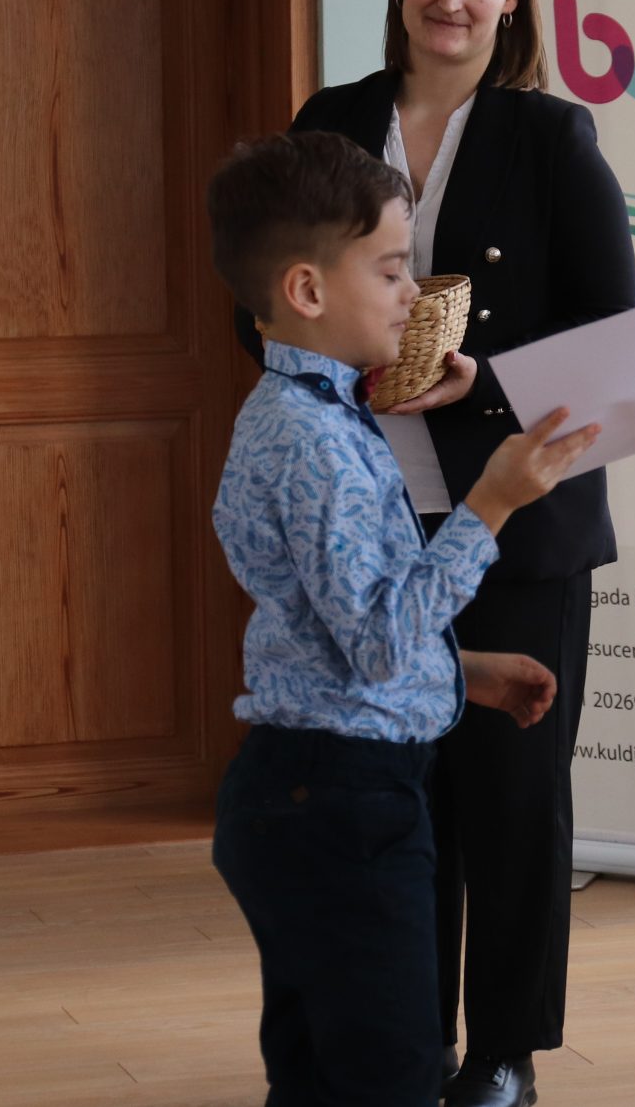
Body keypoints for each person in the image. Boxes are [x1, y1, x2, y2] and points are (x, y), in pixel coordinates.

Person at [242, 0, 635, 1107]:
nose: (450, 1)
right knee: (390, 795)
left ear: (511, 0)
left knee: (511, 804)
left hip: (518, 515)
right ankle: (399, 1042)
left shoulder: (553, 138)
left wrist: (482, 383)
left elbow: (615, 335)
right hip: (363, 504)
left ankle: (506, 1054)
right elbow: (264, 294)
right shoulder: (332, 119)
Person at [205, 129, 600, 1106]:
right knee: (389, 1076)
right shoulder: (318, 444)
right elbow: (378, 642)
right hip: (345, 801)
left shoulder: (303, 414)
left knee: (319, 1073)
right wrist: (492, 502)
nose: (413, 295)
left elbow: (329, 624)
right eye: (389, 270)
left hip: (308, 786)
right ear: (306, 290)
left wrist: (463, 670)